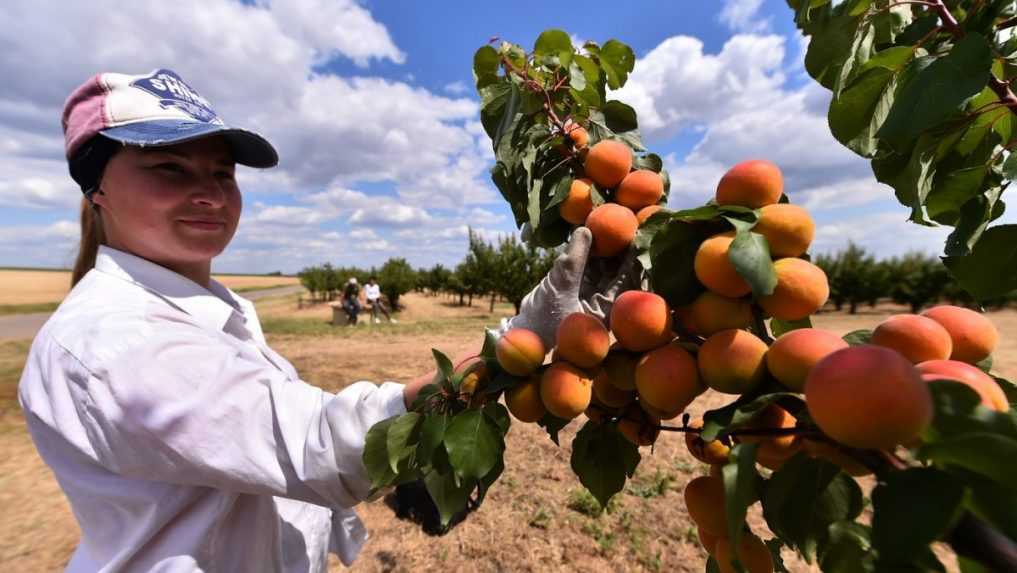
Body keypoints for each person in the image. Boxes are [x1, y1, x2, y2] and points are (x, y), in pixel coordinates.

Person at [17, 68, 639, 572]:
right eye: (169, 169)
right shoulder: (110, 341)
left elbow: (259, 443)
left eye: (221, 173)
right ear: (96, 187)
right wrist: (519, 340)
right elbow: (309, 442)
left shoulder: (210, 310)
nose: (208, 192)